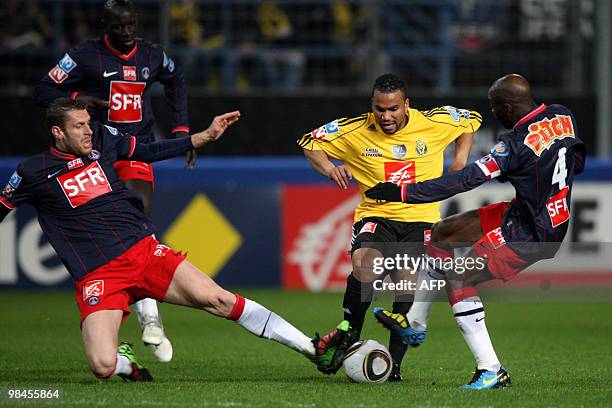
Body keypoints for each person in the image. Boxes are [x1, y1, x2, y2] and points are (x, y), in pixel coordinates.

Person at [0, 98, 346, 381]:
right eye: (80, 126)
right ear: (57, 132)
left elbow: (147, 151)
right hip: (99, 276)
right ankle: (125, 361)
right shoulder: (32, 172)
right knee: (101, 366)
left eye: (89, 123)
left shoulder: (102, 140)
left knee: (220, 300)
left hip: (144, 253)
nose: (89, 131)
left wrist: (203, 137)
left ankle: (311, 348)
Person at [367, 74, 585, 389]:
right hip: (529, 212)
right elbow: (575, 159)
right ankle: (415, 321)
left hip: (531, 233)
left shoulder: (513, 145)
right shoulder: (563, 114)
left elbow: (464, 180)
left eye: (494, 108)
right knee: (443, 232)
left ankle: (491, 369)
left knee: (457, 276)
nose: (493, 113)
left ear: (507, 107)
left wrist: (403, 193)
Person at [32, 0, 195, 362]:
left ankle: (151, 319)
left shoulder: (152, 55)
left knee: (139, 221)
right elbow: (43, 90)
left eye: (131, 26)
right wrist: (78, 98)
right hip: (94, 152)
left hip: (135, 150)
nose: (126, 33)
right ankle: (116, 324)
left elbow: (176, 80)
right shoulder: (83, 57)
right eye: (118, 27)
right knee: (111, 241)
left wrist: (182, 127)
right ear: (104, 26)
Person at [297, 73, 481, 379]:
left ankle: (394, 364)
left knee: (408, 280)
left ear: (406, 105)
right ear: (372, 106)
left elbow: (471, 121)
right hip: (375, 215)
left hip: (421, 218)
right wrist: (330, 169)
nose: (386, 116)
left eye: (393, 109)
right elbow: (309, 142)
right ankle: (347, 337)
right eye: (379, 109)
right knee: (365, 265)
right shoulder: (354, 129)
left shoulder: (434, 122)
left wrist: (460, 161)